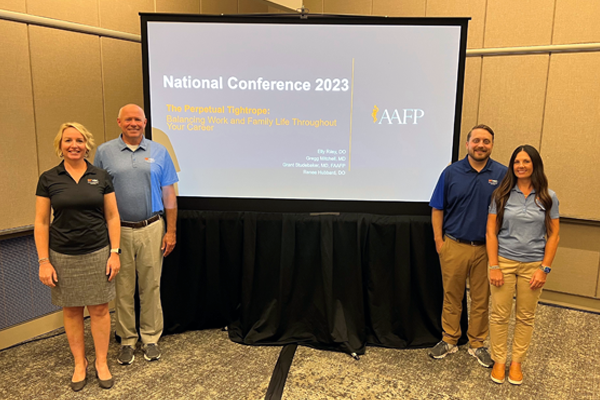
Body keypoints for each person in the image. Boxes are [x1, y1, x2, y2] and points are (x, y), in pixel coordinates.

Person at [35, 123, 121, 391]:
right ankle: (79, 363)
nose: (74, 145)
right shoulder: (49, 178)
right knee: (71, 311)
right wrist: (44, 261)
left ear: (87, 144)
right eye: (68, 140)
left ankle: (102, 362)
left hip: (97, 252)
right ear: (60, 145)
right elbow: (40, 222)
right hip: (62, 254)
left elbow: (112, 216)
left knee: (99, 309)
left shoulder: (101, 176)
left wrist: (114, 252)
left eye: (80, 140)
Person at [94, 104, 178, 365]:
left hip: (152, 227)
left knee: (151, 285)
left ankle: (151, 338)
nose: (134, 123)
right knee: (123, 287)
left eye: (138, 119)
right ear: (119, 122)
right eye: (128, 119)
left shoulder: (159, 151)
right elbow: (97, 193)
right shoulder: (104, 153)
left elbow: (169, 195)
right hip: (119, 231)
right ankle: (127, 340)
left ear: (145, 122)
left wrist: (171, 230)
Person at [428, 124, 507, 367]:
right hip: (454, 244)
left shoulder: (502, 174)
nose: (481, 145)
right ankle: (450, 339)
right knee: (452, 296)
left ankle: (477, 344)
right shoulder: (451, 172)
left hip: (486, 249)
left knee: (481, 298)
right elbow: (437, 208)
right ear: (467, 144)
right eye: (476, 141)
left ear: (492, 145)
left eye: (486, 141)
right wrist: (439, 241)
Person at [486, 145, 560, 385]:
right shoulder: (502, 194)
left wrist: (544, 268)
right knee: (499, 315)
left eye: (526, 161)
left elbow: (554, 235)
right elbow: (490, 232)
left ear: (534, 165)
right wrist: (494, 266)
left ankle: (516, 362)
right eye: (517, 161)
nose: (521, 165)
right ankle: (499, 360)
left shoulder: (549, 196)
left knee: (526, 316)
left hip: (533, 266)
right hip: (504, 263)